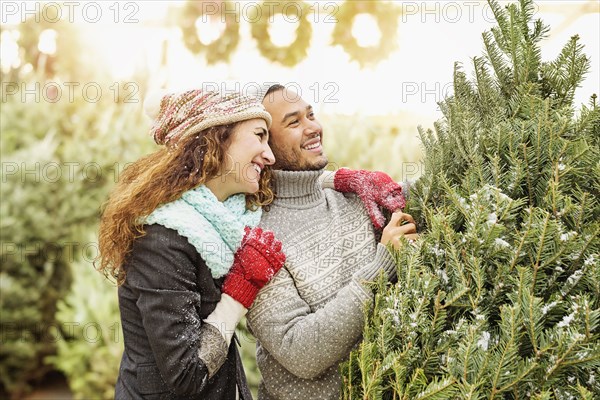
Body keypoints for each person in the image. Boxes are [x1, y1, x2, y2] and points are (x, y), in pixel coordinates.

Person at [96, 88, 287, 399]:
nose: (270, 155)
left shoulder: (232, 218)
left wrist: (342, 180)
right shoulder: (161, 238)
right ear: (218, 138)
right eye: (260, 135)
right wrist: (239, 293)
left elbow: (298, 185)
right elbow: (187, 374)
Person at [246, 84, 418, 400]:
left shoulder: (353, 197)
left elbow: (428, 192)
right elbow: (299, 351)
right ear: (264, 146)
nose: (313, 128)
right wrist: (382, 267)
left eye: (311, 114)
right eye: (294, 122)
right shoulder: (257, 239)